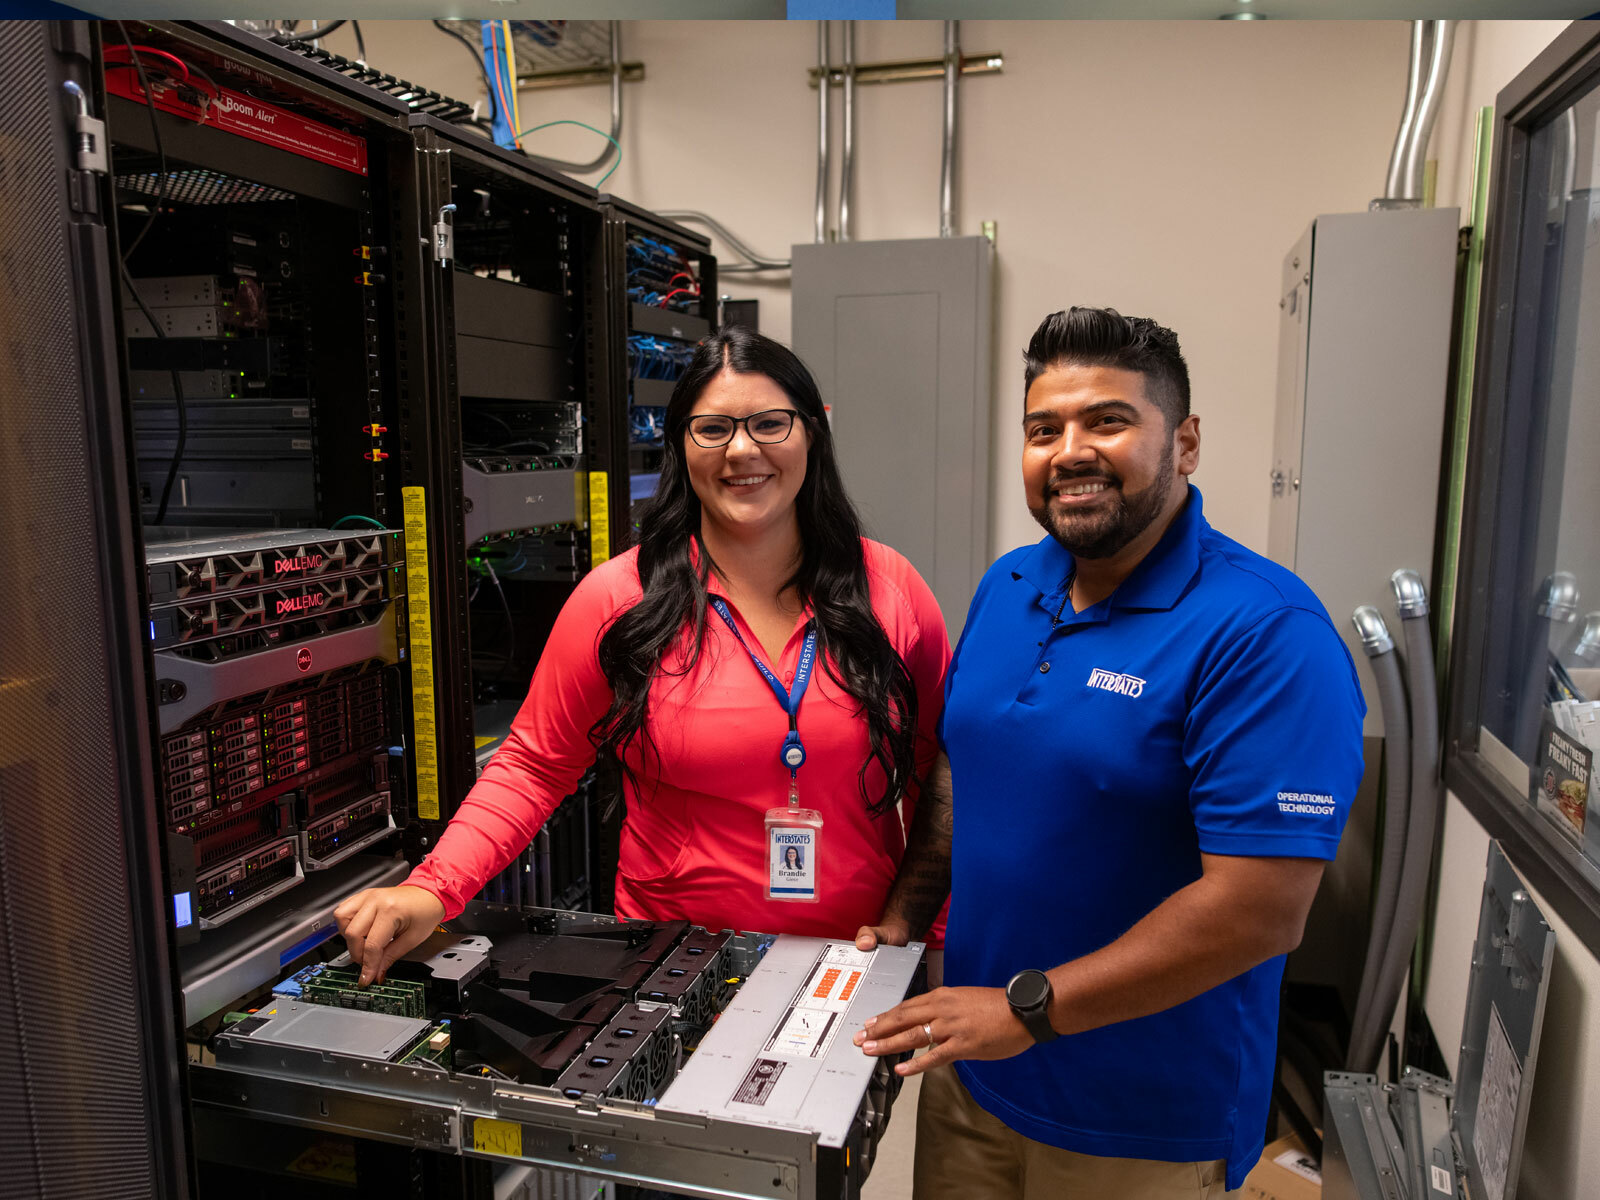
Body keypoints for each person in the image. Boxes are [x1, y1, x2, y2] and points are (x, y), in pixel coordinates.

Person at [854, 308, 1365, 1199]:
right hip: (977, 1070)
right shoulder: (1010, 584)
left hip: (1140, 1119)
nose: (1070, 451)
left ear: (1187, 442)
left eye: (1108, 421)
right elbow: (962, 765)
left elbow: (1260, 912)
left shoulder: (1265, 633)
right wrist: (907, 911)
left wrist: (1027, 1009)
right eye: (1043, 429)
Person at [335, 326, 950, 985]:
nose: (742, 449)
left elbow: (940, 769)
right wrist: (435, 888)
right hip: (674, 965)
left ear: (812, 433)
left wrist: (923, 931)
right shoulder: (620, 599)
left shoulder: (889, 591)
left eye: (770, 423)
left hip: (853, 960)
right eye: (712, 429)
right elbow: (534, 766)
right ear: (681, 445)